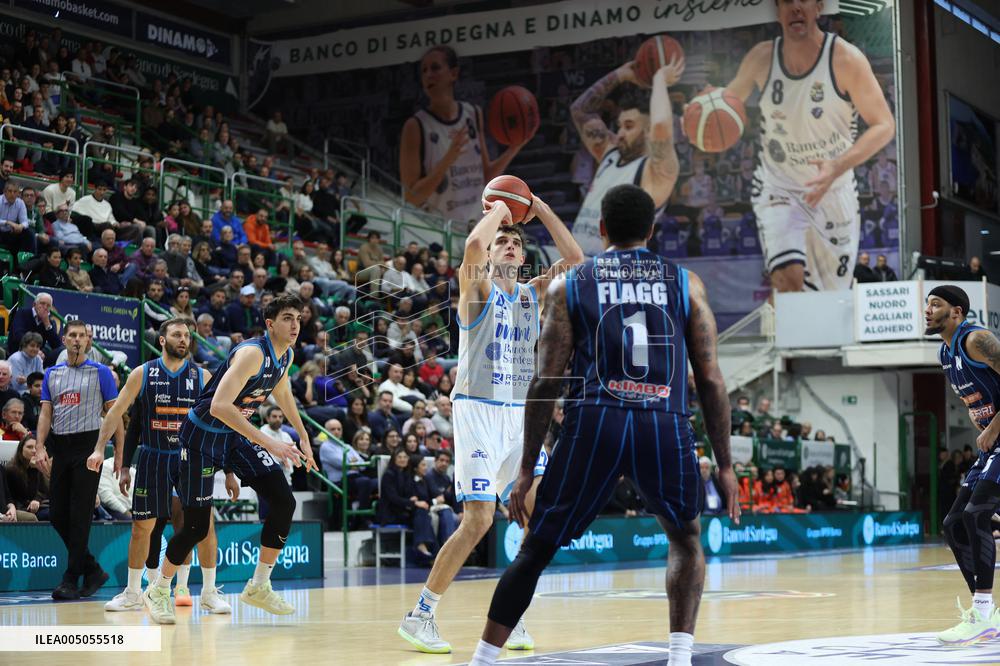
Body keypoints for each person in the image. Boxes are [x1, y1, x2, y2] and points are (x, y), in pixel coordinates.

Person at [466, 184, 739, 666]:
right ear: (652, 230)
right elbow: (712, 380)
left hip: (595, 419)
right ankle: (680, 657)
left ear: (604, 229)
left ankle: (483, 659)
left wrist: (527, 468)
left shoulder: (572, 284)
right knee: (685, 538)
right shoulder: (685, 283)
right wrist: (726, 465)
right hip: (663, 419)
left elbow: (547, 380)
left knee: (535, 550)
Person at [399, 193, 583, 654]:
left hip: (519, 418)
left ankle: (511, 613)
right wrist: (501, 210)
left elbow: (576, 260)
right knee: (478, 520)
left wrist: (536, 207)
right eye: (501, 241)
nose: (508, 246)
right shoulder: (476, 289)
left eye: (515, 243)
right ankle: (420, 616)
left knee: (539, 517)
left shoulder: (534, 293)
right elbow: (472, 251)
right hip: (477, 411)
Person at [143, 294, 316, 625]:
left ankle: (259, 586)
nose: (295, 325)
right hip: (201, 437)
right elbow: (219, 406)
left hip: (233, 435)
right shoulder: (252, 353)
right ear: (270, 324)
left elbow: (282, 393)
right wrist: (270, 442)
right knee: (195, 527)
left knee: (283, 501)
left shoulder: (286, 355)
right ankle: (159, 589)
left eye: (298, 318)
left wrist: (303, 436)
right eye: (287, 318)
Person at [725, 0, 894, 292]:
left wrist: (837, 165)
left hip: (834, 190)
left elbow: (884, 125)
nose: (795, 7)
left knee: (830, 299)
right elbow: (726, 109)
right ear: (777, 11)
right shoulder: (761, 58)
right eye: (786, 1)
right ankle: (787, 328)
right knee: (788, 281)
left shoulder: (845, 59)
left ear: (818, 7)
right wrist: (707, 110)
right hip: (779, 187)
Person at [85, 319, 234, 614]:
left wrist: (229, 471)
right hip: (154, 457)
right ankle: (132, 593)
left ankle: (207, 592)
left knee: (204, 527)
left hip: (193, 459)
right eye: (177, 334)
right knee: (142, 527)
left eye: (187, 336)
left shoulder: (203, 376)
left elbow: (223, 423)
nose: (184, 339)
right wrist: (100, 448)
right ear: (162, 340)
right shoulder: (143, 373)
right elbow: (116, 412)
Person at [927, 285, 1000, 645]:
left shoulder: (977, 340)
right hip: (993, 444)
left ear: (956, 312)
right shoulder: (945, 352)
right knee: (954, 523)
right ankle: (985, 612)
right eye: (926, 304)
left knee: (975, 515)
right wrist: (981, 420)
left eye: (936, 304)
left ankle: (984, 612)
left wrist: (995, 427)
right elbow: (980, 398)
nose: (928, 310)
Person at [35, 320, 121, 600]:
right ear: (63, 339)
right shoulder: (52, 374)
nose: (76, 340)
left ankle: (70, 579)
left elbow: (114, 414)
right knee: (57, 514)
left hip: (89, 447)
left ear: (88, 340)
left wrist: (119, 454)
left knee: (81, 514)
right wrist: (39, 446)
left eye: (81, 336)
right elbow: (46, 414)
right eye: (72, 335)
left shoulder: (101, 373)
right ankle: (92, 568)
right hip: (60, 447)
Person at [399, 46, 533, 225]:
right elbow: (411, 197)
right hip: (442, 230)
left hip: (478, 225)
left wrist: (514, 147)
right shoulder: (416, 126)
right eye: (424, 71)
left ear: (453, 73)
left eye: (435, 67)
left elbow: (485, 177)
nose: (428, 74)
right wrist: (448, 159)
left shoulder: (473, 114)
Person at [569, 51, 685, 255]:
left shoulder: (655, 173)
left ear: (648, 132)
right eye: (619, 125)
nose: (620, 133)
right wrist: (620, 75)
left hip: (609, 270)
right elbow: (580, 110)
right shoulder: (610, 153)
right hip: (574, 262)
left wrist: (659, 80)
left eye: (629, 126)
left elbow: (660, 125)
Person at [4, 434, 49, 521]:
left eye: (36, 448)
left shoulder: (37, 466)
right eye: (29, 447)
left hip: (37, 506)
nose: (34, 451)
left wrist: (37, 500)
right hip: (20, 507)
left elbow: (45, 490)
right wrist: (33, 471)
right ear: (21, 450)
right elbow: (25, 494)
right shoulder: (12, 469)